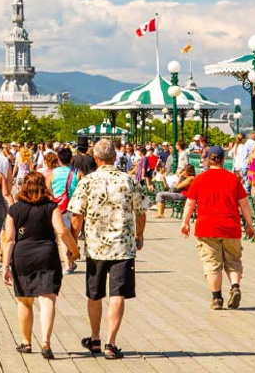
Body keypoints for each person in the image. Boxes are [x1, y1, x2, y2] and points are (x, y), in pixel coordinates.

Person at [69, 139, 148, 360]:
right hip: (122, 246)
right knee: (117, 293)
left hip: (95, 246)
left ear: (95, 158)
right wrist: (139, 234)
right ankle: (111, 344)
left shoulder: (87, 182)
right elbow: (141, 212)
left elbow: (77, 216)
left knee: (94, 294)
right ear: (115, 157)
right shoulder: (129, 180)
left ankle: (95, 338)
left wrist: (72, 244)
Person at [3, 171, 79, 359]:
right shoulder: (51, 207)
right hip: (47, 255)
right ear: (43, 186)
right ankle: (45, 342)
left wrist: (5, 266)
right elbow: (61, 231)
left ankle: (26, 342)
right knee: (47, 300)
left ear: (23, 186)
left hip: (23, 257)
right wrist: (74, 250)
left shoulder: (14, 209)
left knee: (24, 300)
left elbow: (9, 239)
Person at [181, 145, 255, 310]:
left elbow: (190, 203)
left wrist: (185, 222)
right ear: (223, 159)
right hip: (231, 227)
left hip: (207, 227)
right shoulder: (233, 179)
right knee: (233, 261)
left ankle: (216, 299)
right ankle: (235, 286)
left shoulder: (200, 179)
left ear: (208, 160)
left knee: (212, 264)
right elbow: (244, 204)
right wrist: (249, 225)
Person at [51, 146, 80, 273]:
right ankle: (70, 262)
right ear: (71, 159)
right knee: (71, 235)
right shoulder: (78, 173)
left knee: (62, 234)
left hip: (58, 208)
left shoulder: (53, 173)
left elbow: (47, 189)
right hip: (75, 207)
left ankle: (67, 263)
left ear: (58, 159)